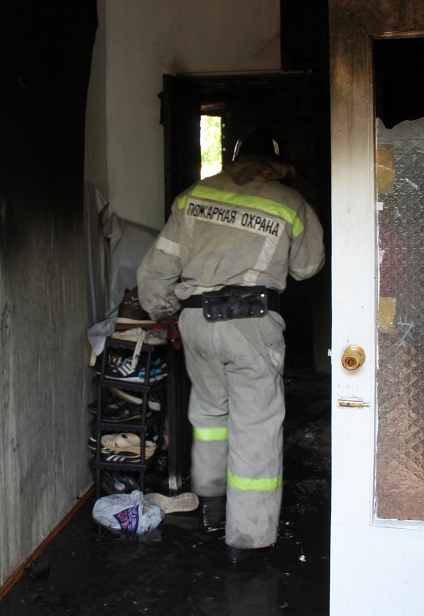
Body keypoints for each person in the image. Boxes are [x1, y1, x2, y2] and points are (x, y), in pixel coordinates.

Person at [136, 126, 325, 563]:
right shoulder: (290, 202)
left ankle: (211, 506)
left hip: (196, 319)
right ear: (276, 163)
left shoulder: (194, 196)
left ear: (234, 157)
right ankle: (248, 540)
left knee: (209, 413)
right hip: (251, 320)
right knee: (255, 424)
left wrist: (164, 312)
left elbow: (156, 270)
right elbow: (307, 267)